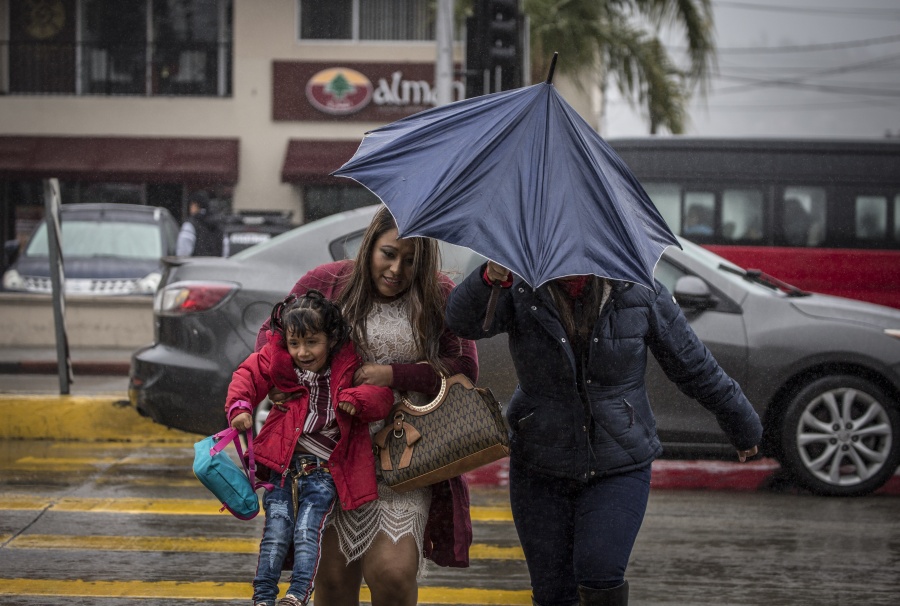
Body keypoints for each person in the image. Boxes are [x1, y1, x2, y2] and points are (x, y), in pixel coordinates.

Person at [445, 261, 763, 606]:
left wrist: (742, 423)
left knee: (600, 574)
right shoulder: (520, 286)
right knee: (552, 593)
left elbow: (693, 364)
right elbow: (460, 322)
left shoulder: (637, 288)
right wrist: (487, 279)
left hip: (620, 459)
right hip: (540, 459)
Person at [255, 205, 478, 605]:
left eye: (410, 261)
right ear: (369, 246)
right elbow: (273, 336)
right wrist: (279, 381)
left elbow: (465, 368)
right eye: (388, 254)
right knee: (335, 585)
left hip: (404, 457)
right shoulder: (326, 281)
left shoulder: (438, 293)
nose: (396, 269)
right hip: (329, 456)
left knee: (392, 575)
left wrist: (395, 375)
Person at [226, 291, 395, 606]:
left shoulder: (349, 365)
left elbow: (381, 397)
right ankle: (262, 597)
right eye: (294, 343)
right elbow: (247, 376)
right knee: (275, 533)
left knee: (306, 531)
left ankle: (297, 594)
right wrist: (240, 408)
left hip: (323, 473)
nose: (302, 352)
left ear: (331, 339)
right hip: (280, 468)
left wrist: (357, 401)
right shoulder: (279, 360)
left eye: (311, 342)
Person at [176, 190, 225, 256]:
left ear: (196, 205)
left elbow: (183, 252)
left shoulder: (190, 225)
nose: (190, 208)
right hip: (216, 265)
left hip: (195, 265)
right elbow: (225, 251)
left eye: (191, 204)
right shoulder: (218, 225)